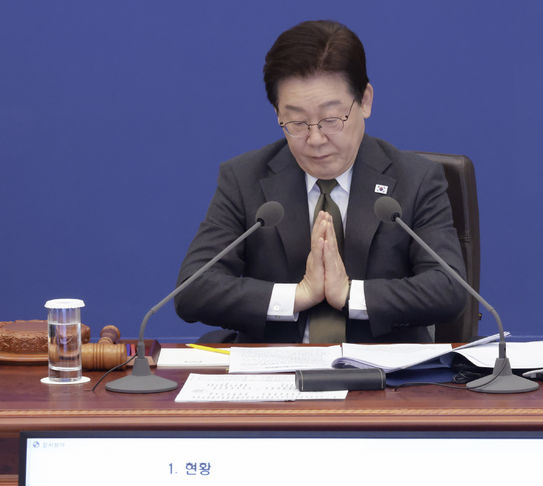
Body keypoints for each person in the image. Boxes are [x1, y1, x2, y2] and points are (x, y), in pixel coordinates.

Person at [175, 19, 467, 343]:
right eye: (297, 122)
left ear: (365, 101)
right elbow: (193, 289)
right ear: (277, 113)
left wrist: (349, 295)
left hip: (385, 371)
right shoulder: (244, 178)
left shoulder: (416, 179)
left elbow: (449, 288)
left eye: (331, 119)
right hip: (275, 368)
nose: (315, 139)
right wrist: (297, 296)